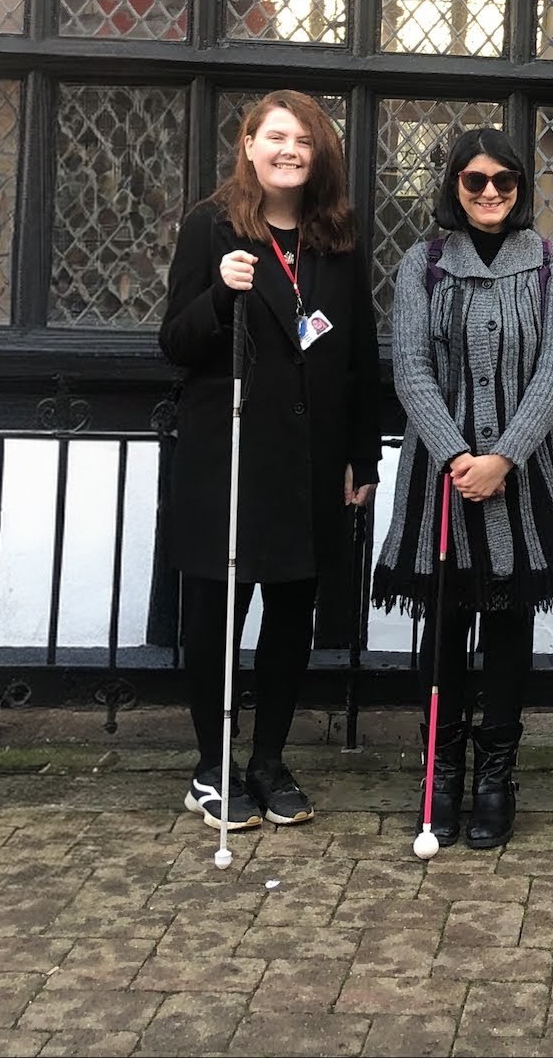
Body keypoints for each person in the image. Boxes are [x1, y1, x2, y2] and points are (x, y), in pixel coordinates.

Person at [159, 92, 383, 832]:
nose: (291, 150)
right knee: (220, 613)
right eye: (276, 136)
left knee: (292, 614)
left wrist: (361, 455)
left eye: (305, 141)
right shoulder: (210, 227)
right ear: (250, 144)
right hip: (229, 457)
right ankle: (211, 766)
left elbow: (356, 357)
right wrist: (221, 295)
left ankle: (269, 762)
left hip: (311, 460)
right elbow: (177, 344)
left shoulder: (338, 240)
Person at [373, 126, 553, 851]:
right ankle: (442, 774)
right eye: (475, 181)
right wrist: (460, 452)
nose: (491, 192)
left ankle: (497, 776)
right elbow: (410, 369)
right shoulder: (422, 265)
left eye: (505, 181)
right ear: (454, 187)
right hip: (442, 476)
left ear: (521, 188)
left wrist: (503, 457)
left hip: (525, 481)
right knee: (443, 622)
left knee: (507, 626)